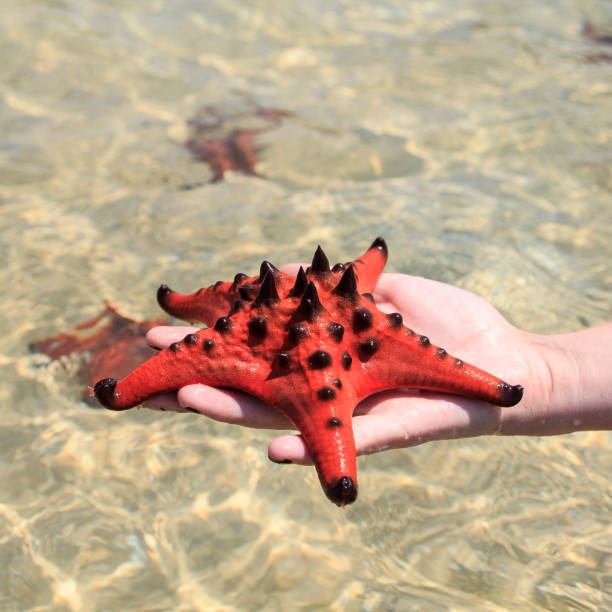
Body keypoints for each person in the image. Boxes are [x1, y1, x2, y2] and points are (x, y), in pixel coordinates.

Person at [144, 266, 612, 465]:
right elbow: (180, 303)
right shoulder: (260, 303)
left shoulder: (359, 315)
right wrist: (547, 376)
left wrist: (536, 377)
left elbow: (363, 269)